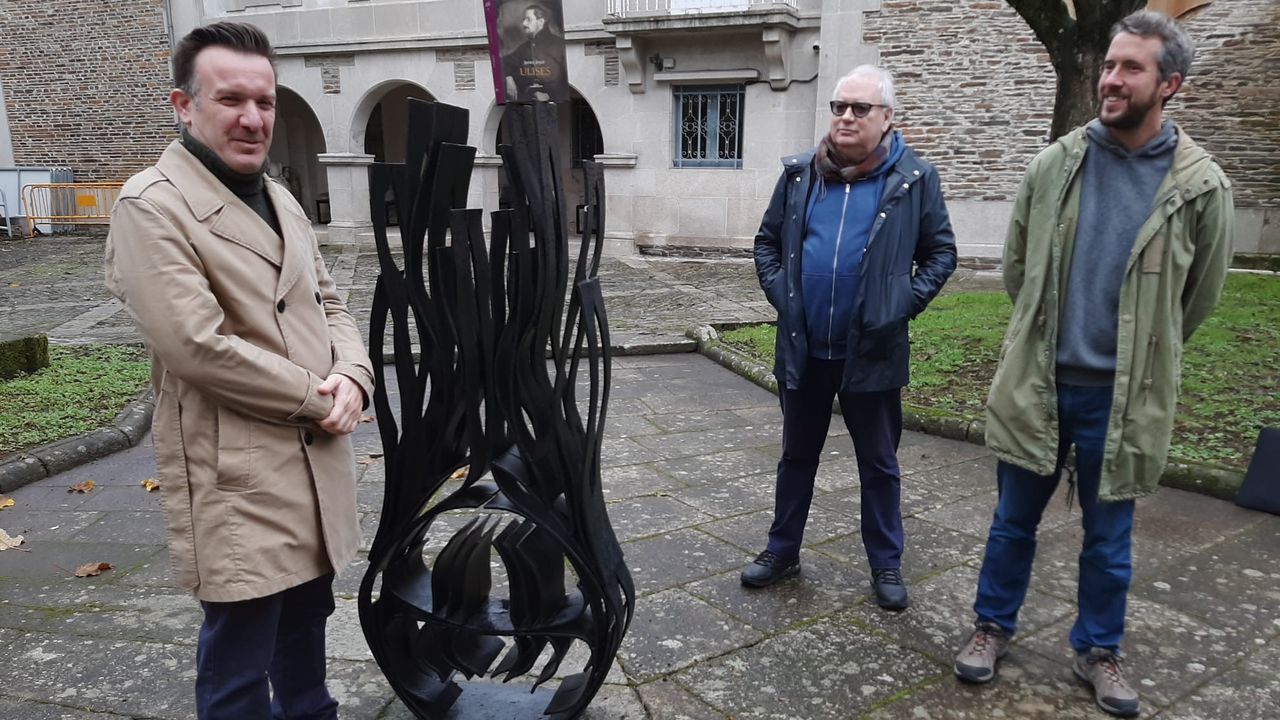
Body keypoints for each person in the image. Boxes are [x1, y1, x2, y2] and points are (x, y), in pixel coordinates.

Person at [952, 10, 1233, 718]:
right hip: (1041, 382)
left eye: (1130, 68)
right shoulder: (1057, 163)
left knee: (1110, 541)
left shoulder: (1202, 187)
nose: (1110, 78)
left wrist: (1141, 354)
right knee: (1012, 523)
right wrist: (1046, 334)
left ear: (1169, 84)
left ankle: (1100, 648)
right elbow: (1020, 270)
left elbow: (1194, 303)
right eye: (1109, 64)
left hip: (1123, 396)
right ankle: (992, 627)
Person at [104, 22, 374, 720]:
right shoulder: (151, 206)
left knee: (309, 630)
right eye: (231, 99)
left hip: (314, 462)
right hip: (238, 471)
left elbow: (330, 297)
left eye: (266, 100)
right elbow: (198, 346)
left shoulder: (279, 195)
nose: (254, 118)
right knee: (239, 667)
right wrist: (319, 398)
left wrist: (354, 374)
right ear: (184, 105)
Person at [744, 65, 957, 611]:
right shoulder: (800, 176)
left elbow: (940, 254)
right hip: (805, 347)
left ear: (886, 118)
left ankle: (886, 564)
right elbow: (767, 244)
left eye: (860, 108)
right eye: (840, 106)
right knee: (796, 457)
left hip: (872, 350)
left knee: (879, 464)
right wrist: (783, 295)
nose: (845, 116)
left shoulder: (913, 179)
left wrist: (901, 305)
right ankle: (781, 549)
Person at [501, 3, 568, 102]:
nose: (524, 24)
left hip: (553, 104)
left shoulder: (558, 45)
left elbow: (567, 78)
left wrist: (550, 96)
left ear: (540, 21)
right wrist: (508, 78)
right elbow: (505, 61)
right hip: (526, 102)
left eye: (528, 19)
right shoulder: (524, 47)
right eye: (523, 19)